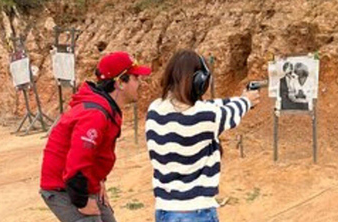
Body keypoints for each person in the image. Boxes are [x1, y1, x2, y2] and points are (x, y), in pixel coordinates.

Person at [145, 49, 260, 222]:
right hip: (196, 212)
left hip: (164, 211)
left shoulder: (154, 109)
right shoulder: (205, 116)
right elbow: (228, 112)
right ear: (200, 81)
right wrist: (247, 100)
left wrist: (240, 98)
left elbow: (210, 106)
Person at [40, 52, 151, 222]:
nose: (140, 83)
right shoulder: (95, 114)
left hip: (80, 184)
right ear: (120, 82)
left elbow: (97, 153)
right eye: (136, 78)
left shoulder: (105, 108)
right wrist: (82, 201)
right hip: (65, 187)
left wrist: (98, 182)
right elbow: (77, 163)